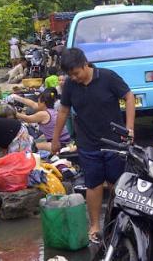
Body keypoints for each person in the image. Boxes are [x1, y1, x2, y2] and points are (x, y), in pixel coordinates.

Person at [51, 48, 135, 243]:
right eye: (70, 75)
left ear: (85, 64)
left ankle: (116, 222)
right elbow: (63, 111)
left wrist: (129, 128)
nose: (74, 77)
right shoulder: (71, 85)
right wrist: (55, 139)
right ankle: (95, 225)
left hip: (114, 141)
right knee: (93, 184)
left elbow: (129, 96)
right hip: (88, 142)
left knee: (117, 184)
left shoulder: (107, 77)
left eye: (76, 73)